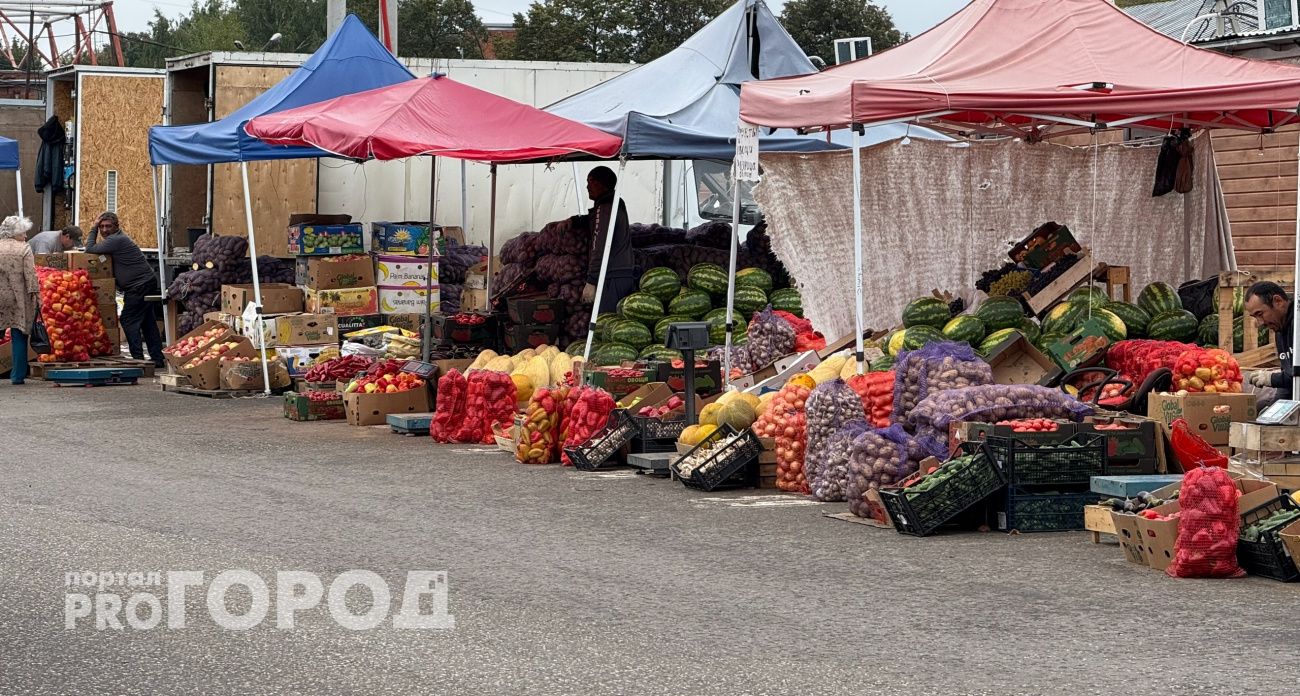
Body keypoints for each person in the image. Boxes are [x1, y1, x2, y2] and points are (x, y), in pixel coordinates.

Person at [83, 212, 164, 367]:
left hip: (139, 285)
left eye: (108, 226)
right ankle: (157, 358)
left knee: (128, 320)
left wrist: (93, 228)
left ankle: (138, 358)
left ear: (116, 227)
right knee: (147, 322)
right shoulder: (116, 239)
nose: (104, 230)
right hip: (144, 283)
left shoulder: (116, 240)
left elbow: (90, 249)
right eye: (101, 227)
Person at [579, 166, 636, 314]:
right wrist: (574, 221)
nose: (587, 186)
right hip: (622, 274)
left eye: (590, 181)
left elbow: (600, 245)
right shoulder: (615, 203)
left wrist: (591, 281)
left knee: (608, 324)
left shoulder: (605, 207)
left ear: (601, 183)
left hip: (612, 277)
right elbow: (596, 223)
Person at [0, 215, 40, 385]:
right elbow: (30, 276)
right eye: (23, 232)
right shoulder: (24, 248)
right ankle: (17, 376)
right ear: (15, 233)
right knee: (19, 335)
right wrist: (37, 296)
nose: (25, 236)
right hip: (18, 297)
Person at [1244, 281, 1295, 400]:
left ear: (1278, 301)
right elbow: (1287, 383)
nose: (1260, 323)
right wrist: (1274, 411)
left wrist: (1272, 378)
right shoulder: (1280, 329)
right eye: (1255, 317)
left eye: (1260, 314)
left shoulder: (1297, 325)